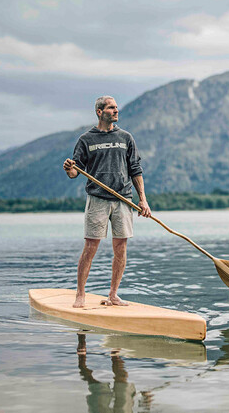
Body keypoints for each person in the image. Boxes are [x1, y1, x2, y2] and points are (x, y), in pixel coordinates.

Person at [63, 96, 151, 308]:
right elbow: (76, 171)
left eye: (116, 107)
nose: (116, 110)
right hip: (98, 199)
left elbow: (135, 170)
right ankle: (80, 295)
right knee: (90, 246)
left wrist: (143, 200)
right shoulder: (86, 139)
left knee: (120, 247)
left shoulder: (126, 137)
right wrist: (70, 169)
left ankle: (113, 295)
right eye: (111, 108)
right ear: (100, 112)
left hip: (123, 199)